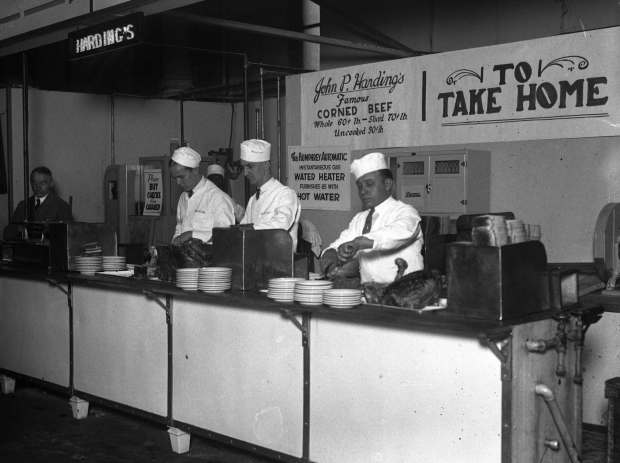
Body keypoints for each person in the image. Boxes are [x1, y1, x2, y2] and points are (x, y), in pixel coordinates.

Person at [320, 151, 423, 284]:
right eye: (360, 186)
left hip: (407, 291)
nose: (363, 191)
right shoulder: (360, 219)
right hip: (370, 293)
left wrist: (359, 242)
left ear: (387, 184)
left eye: (369, 184)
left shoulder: (406, 212)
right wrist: (330, 256)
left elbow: (401, 232)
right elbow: (339, 244)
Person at [239, 139, 301, 249]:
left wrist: (251, 229)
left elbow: (281, 224)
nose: (245, 173)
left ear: (266, 165)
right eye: (243, 167)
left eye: (250, 166)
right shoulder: (253, 199)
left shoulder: (285, 194)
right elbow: (242, 231)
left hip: (280, 262)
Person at [170, 146, 235, 245]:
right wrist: (175, 240)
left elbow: (225, 236)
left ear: (195, 170)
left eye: (181, 177)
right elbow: (179, 226)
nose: (178, 182)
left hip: (210, 259)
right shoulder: (183, 197)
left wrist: (192, 235)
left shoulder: (218, 198)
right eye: (175, 178)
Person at [3, 166, 73, 240]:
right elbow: (7, 233)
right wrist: (19, 229)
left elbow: (68, 236)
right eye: (34, 182)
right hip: (25, 249)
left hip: (48, 250)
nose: (38, 187)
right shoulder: (23, 205)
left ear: (51, 183)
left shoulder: (61, 206)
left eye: (43, 183)